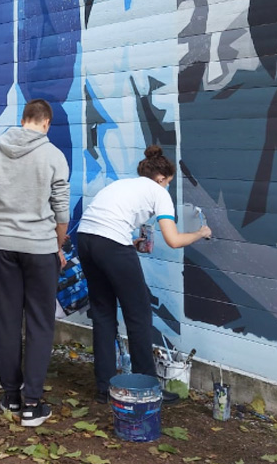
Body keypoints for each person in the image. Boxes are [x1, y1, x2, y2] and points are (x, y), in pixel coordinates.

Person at [77, 145, 212, 404]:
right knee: (139, 315)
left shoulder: (123, 185)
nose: (167, 188)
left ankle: (104, 388)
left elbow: (108, 220)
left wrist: (131, 241)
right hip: (111, 243)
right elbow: (173, 240)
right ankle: (147, 389)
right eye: (168, 183)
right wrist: (199, 233)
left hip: (87, 239)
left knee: (103, 313)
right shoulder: (158, 193)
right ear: (161, 178)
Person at [0, 99, 70, 426]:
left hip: (2, 245)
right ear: (45, 123)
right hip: (40, 248)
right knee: (40, 323)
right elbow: (62, 212)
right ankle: (32, 404)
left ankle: (10, 396)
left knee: (8, 320)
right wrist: (56, 246)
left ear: (24, 118)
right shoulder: (54, 155)